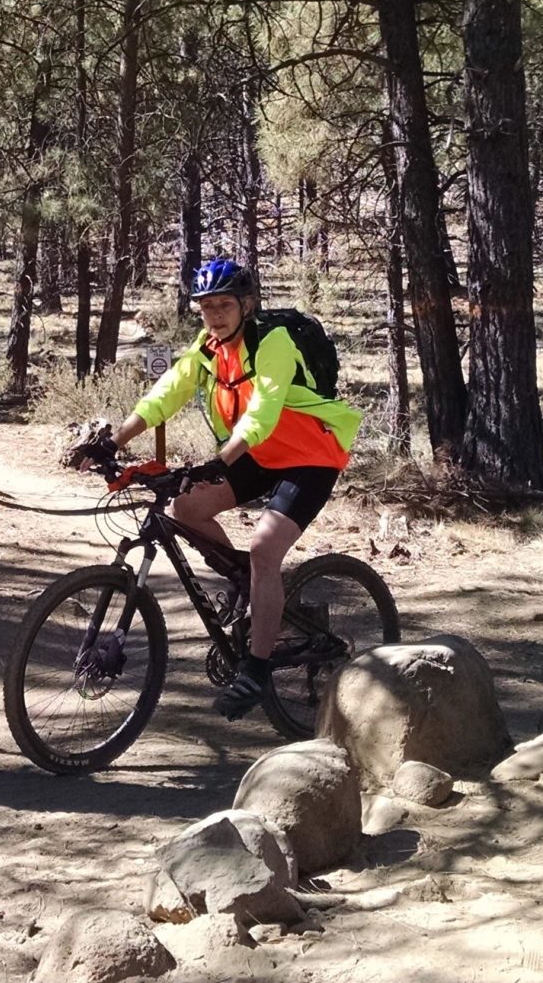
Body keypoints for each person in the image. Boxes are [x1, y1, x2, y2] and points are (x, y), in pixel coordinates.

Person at [99, 258, 360, 721]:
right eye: (205, 307)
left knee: (264, 546)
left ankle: (258, 670)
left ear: (247, 305)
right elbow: (165, 394)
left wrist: (218, 461)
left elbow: (261, 413)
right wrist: (112, 441)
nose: (214, 315)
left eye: (224, 305)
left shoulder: (272, 342)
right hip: (258, 455)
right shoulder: (207, 348)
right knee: (186, 507)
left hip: (311, 454)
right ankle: (252, 586)